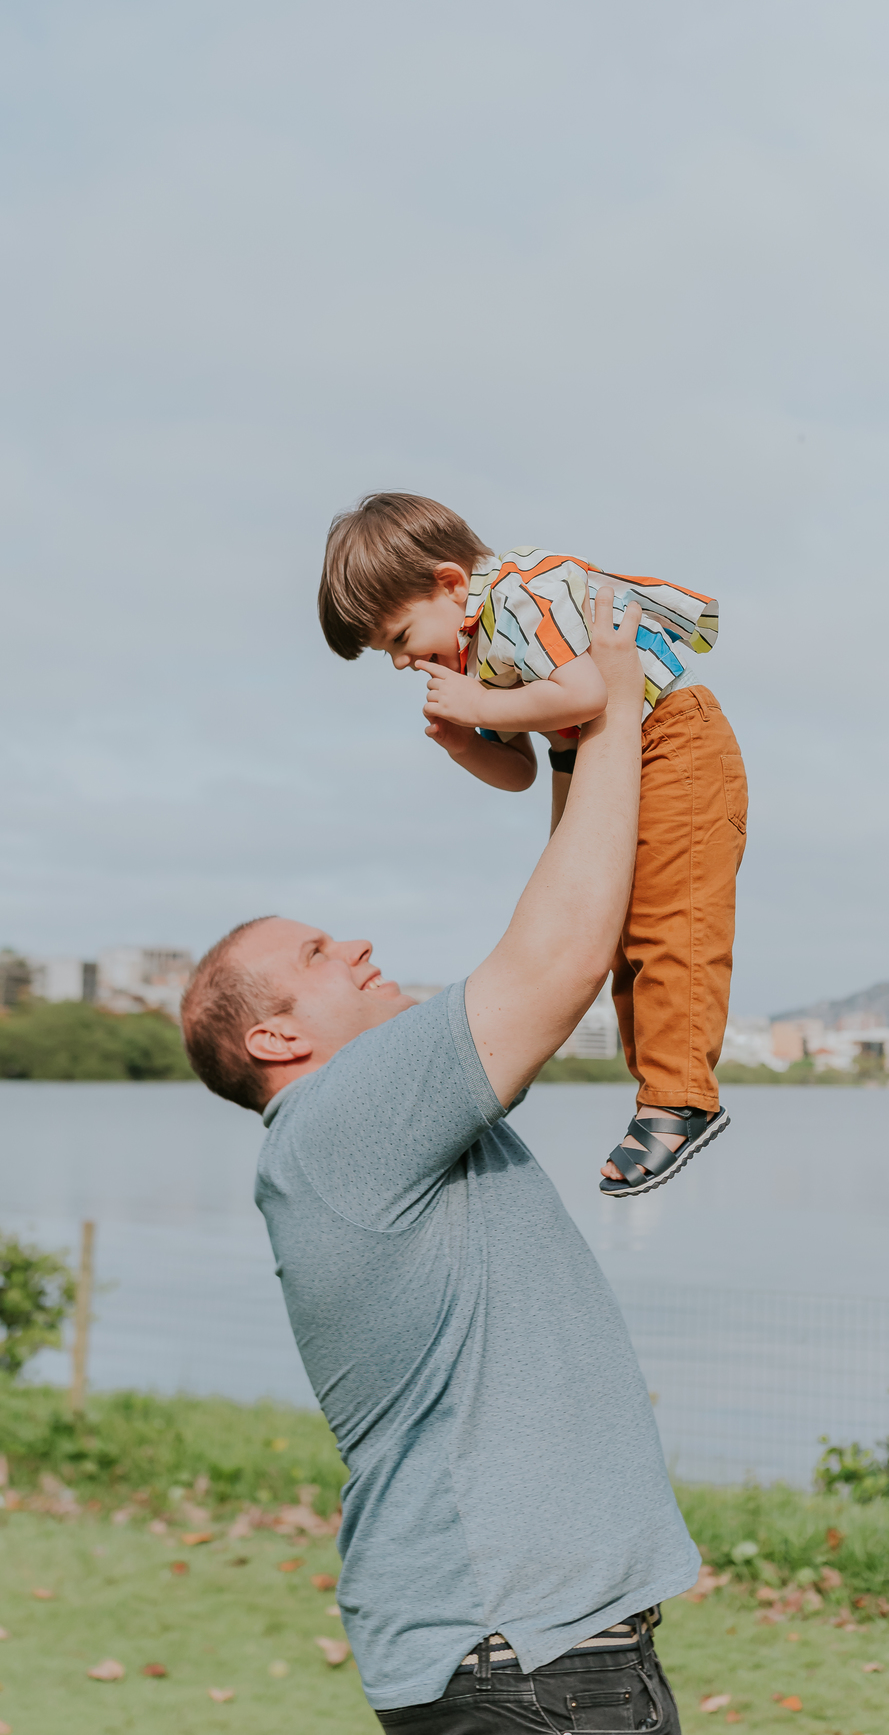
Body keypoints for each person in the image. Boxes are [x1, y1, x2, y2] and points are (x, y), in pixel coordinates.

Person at [180, 586, 699, 1730]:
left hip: (540, 1653)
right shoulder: (341, 1119)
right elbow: (559, 957)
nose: (357, 941)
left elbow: (571, 911)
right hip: (518, 1661)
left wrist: (569, 734)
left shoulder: (377, 1130)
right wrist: (611, 710)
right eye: (318, 951)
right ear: (277, 1038)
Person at [317, 491, 748, 1196]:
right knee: (614, 936)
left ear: (451, 585)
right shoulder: (473, 648)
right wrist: (464, 743)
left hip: (674, 741)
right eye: (384, 655)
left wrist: (482, 705)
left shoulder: (522, 594)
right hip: (601, 764)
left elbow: (582, 693)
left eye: (398, 639)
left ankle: (681, 1097)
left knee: (674, 921)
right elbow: (516, 771)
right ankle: (660, 1087)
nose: (400, 664)